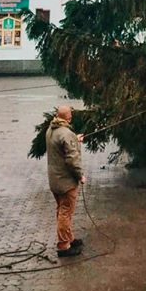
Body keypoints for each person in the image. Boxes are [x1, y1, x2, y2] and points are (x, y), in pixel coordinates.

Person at [46, 105, 85, 258]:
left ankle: (69, 238)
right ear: (68, 117)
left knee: (62, 210)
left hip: (54, 179)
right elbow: (72, 159)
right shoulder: (66, 133)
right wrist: (80, 176)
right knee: (65, 212)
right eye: (70, 115)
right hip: (66, 181)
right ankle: (63, 246)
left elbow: (61, 146)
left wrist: (75, 140)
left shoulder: (51, 130)